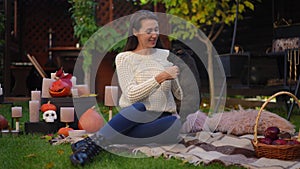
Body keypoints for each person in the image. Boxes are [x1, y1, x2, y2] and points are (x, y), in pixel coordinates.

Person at [69, 10, 183, 166]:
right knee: (139, 107)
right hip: (134, 117)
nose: (154, 34)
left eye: (156, 29)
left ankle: (90, 142)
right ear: (135, 31)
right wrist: (161, 76)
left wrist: (175, 75)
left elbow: (179, 96)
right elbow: (132, 95)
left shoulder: (166, 55)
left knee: (175, 123)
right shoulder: (124, 58)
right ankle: (91, 149)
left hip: (162, 120)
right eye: (148, 31)